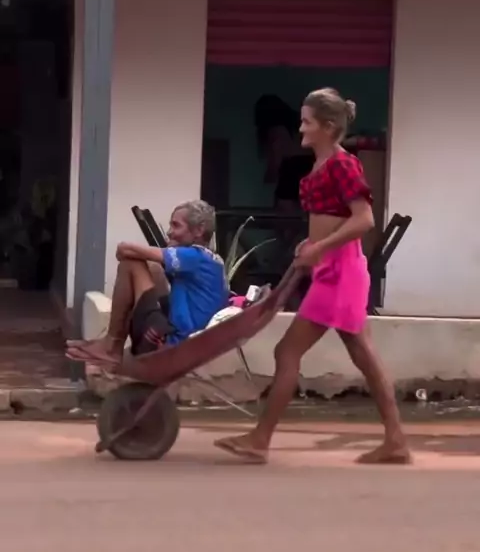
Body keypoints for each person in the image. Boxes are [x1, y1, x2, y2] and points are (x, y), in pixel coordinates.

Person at [215, 88, 411, 466]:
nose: (300, 128)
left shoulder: (342, 165)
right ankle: (396, 441)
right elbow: (333, 219)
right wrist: (311, 243)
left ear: (328, 126)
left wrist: (319, 247)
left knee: (288, 351)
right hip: (331, 270)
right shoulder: (322, 165)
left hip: (340, 272)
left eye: (307, 122)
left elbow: (364, 220)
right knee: (364, 357)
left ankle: (260, 439)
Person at [67, 200, 229, 366]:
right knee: (153, 268)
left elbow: (126, 250)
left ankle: (112, 346)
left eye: (176, 226)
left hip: (175, 346)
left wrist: (125, 250)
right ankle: (109, 342)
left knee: (131, 264)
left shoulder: (194, 257)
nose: (169, 232)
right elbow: (157, 269)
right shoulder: (212, 260)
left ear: (199, 230)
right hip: (189, 343)